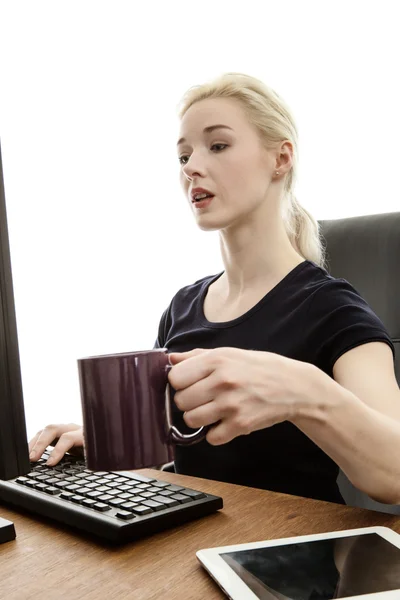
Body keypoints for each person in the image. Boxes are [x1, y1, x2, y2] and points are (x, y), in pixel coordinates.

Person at [29, 72, 400, 505]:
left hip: (290, 559)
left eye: (217, 146)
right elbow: (167, 444)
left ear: (281, 159)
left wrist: (302, 390)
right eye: (183, 156)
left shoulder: (332, 307)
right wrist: (100, 440)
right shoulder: (183, 306)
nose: (191, 167)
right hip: (191, 545)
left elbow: (393, 474)